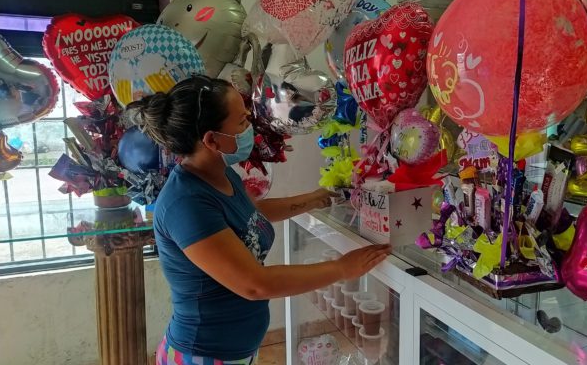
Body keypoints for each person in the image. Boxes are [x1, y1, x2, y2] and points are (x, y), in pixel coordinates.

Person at [128, 75, 391, 365]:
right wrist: (342, 268)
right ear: (212, 140)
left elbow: (249, 214)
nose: (250, 127)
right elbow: (254, 284)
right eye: (241, 122)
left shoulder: (220, 174)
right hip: (203, 354)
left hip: (235, 350)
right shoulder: (185, 204)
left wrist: (316, 198)